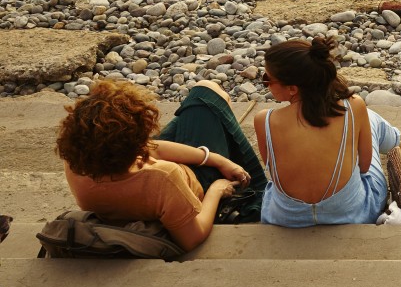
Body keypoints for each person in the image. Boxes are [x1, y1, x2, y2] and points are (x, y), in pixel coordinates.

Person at [58, 78, 265, 252]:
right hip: (195, 184)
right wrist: (216, 190)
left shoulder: (77, 163)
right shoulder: (164, 176)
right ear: (136, 148)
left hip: (137, 191)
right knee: (207, 94)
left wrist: (213, 157)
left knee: (198, 104)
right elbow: (192, 238)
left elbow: (152, 148)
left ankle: (215, 142)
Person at [254, 36, 401, 226]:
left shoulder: (264, 120)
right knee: (370, 118)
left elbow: (273, 171)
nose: (265, 83)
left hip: (287, 219)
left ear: (292, 89)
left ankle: (395, 141)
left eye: (267, 79)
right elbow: (364, 167)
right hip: (352, 215)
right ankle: (396, 142)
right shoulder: (354, 106)